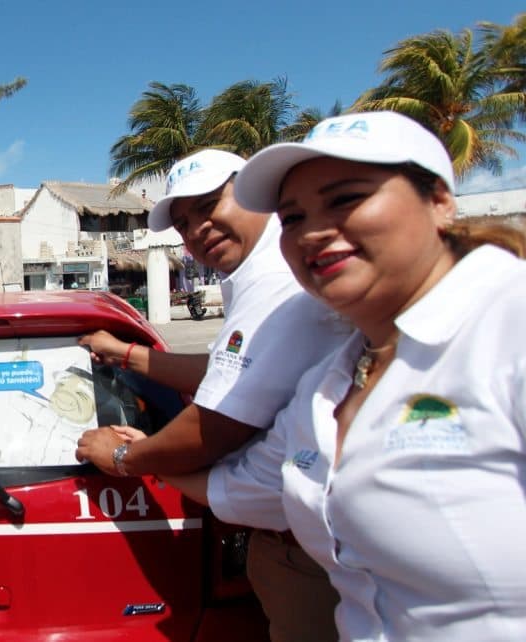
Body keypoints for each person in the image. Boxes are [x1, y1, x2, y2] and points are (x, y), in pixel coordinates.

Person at [163, 111, 526, 640]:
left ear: (440, 201)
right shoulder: (332, 379)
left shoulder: (508, 327)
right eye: (292, 217)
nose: (313, 232)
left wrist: (131, 457)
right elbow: (262, 482)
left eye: (345, 199)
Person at [76, 149, 350, 642]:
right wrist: (125, 354)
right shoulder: (256, 274)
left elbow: (213, 426)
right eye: (183, 223)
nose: (197, 229)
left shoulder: (272, 279)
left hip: (308, 554)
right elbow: (232, 375)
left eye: (209, 205)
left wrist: (122, 455)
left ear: (257, 195)